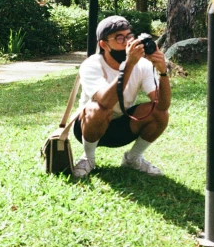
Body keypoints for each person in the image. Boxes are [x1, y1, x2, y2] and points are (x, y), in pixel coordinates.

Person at [71, 15, 171, 179]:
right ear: (104, 44)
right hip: (88, 127)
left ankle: (133, 158)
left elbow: (163, 105)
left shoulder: (143, 65)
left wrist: (163, 71)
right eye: (119, 38)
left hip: (122, 125)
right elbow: (105, 101)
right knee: (98, 108)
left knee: (160, 113)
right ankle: (87, 158)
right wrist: (129, 65)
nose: (127, 42)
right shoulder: (92, 65)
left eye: (129, 36)